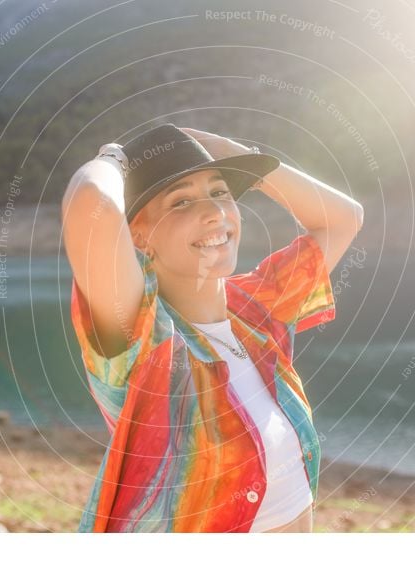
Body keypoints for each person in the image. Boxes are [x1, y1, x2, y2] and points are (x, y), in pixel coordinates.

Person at [61, 123, 364, 532]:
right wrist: (112, 159)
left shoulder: (257, 309)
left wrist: (231, 149)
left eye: (220, 192)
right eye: (180, 201)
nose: (214, 212)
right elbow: (90, 206)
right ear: (140, 235)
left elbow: (344, 218)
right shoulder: (146, 339)